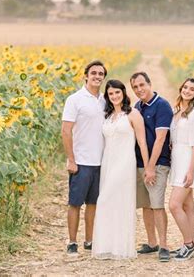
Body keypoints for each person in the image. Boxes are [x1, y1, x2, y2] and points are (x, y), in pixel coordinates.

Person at [92, 79, 149, 260]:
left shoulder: (133, 114)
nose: (115, 96)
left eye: (117, 92)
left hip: (125, 163)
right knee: (110, 203)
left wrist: (148, 167)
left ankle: (122, 248)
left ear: (123, 93)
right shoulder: (107, 116)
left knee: (108, 200)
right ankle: (108, 246)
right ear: (107, 97)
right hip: (108, 162)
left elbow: (142, 142)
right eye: (111, 94)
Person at [61, 60, 107, 256]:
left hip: (101, 161)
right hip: (81, 161)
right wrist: (71, 159)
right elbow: (66, 130)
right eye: (94, 73)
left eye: (101, 74)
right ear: (86, 76)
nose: (97, 76)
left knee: (93, 203)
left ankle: (89, 240)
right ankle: (72, 242)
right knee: (75, 203)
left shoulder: (106, 100)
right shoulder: (75, 99)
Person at [130, 72, 173, 262]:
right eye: (135, 87)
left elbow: (160, 139)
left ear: (149, 84)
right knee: (145, 205)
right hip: (139, 163)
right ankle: (152, 242)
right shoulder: (137, 107)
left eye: (142, 85)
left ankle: (164, 245)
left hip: (157, 164)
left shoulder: (162, 105)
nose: (139, 89)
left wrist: (150, 167)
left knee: (157, 205)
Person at [168, 78, 194, 261]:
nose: (188, 91)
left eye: (192, 89)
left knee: (174, 205)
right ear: (181, 88)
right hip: (177, 159)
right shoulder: (177, 110)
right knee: (187, 204)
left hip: (188, 161)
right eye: (185, 87)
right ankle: (188, 244)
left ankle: (189, 244)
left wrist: (190, 171)